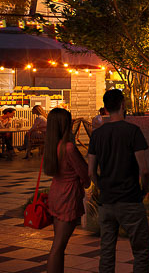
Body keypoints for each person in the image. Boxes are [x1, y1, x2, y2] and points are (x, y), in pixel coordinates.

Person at [88, 89, 149, 273]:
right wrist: (144, 190)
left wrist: (101, 187)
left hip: (107, 202)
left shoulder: (97, 135)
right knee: (141, 251)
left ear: (106, 108)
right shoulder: (133, 131)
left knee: (106, 251)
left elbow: (91, 172)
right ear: (123, 105)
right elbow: (144, 170)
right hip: (130, 199)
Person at [43, 107, 90, 273]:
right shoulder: (68, 148)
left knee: (58, 245)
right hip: (68, 196)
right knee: (58, 247)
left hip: (56, 193)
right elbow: (84, 172)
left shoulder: (51, 146)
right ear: (65, 125)